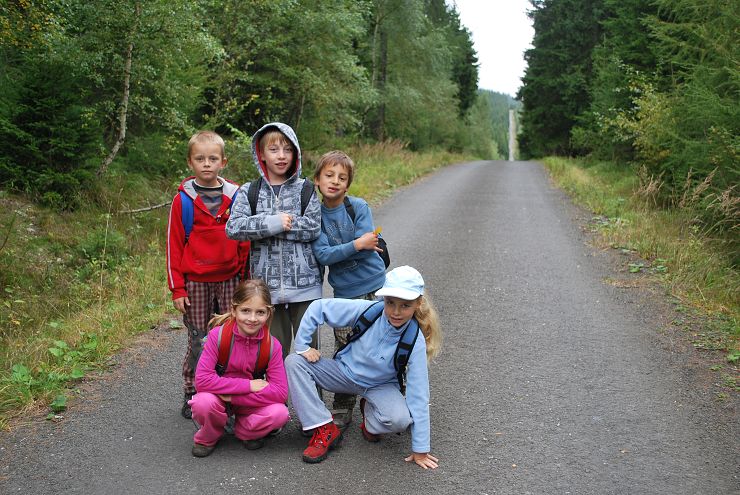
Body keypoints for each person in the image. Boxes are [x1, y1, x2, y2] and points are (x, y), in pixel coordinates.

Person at [285, 266, 442, 469]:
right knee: (294, 362)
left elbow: (419, 394)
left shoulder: (415, 340)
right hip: (342, 373)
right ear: (383, 299)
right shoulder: (368, 310)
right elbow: (318, 307)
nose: (396, 312)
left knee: (400, 421)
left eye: (405, 305)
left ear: (418, 303)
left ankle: (370, 417)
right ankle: (323, 426)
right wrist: (303, 346)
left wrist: (420, 448)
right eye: (390, 303)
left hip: (380, 385)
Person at [166, 130, 249, 420]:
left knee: (232, 337)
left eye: (213, 159)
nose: (206, 164)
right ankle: (192, 391)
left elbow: (244, 241)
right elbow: (174, 246)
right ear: (190, 162)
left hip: (230, 280)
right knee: (198, 338)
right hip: (196, 282)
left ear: (223, 162)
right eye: (200, 159)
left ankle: (229, 391)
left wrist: (245, 281)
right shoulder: (183, 201)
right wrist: (178, 289)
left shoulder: (236, 197)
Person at [226, 122, 322, 359]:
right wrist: (272, 223)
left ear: (296, 153)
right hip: (266, 290)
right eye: (274, 150)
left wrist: (283, 224)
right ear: (261, 154)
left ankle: (308, 386)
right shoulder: (250, 191)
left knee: (309, 354)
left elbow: (313, 227)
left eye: (288, 149)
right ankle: (276, 386)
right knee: (272, 355)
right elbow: (234, 227)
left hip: (306, 288)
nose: (281, 156)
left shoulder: (306, 189)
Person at [311, 150, 386, 428]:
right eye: (329, 175)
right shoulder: (315, 215)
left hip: (376, 286)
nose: (335, 181)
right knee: (346, 346)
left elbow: (368, 246)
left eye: (342, 178)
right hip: (345, 292)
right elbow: (323, 255)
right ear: (317, 180)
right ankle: (343, 404)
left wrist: (345, 250)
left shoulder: (358, 207)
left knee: (381, 342)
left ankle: (382, 397)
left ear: (348, 184)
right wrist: (356, 244)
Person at [189, 279, 290, 457]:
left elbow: (280, 392)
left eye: (260, 312)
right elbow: (202, 381)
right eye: (245, 311)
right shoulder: (217, 337)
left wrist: (233, 397)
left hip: (244, 402)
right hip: (218, 398)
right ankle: (209, 435)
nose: (252, 319)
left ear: (269, 313)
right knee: (202, 402)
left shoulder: (272, 346)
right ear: (234, 310)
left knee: (280, 413)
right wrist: (248, 385)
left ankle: (245, 431)